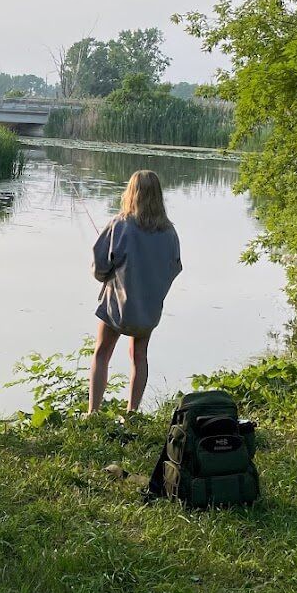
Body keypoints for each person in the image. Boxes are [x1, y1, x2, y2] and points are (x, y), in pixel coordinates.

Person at [89, 169, 181, 415]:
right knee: (139, 356)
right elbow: (175, 268)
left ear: (132, 193)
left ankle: (93, 412)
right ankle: (132, 412)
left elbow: (100, 266)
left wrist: (107, 277)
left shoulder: (121, 224)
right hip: (148, 310)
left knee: (101, 353)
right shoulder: (170, 232)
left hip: (118, 307)